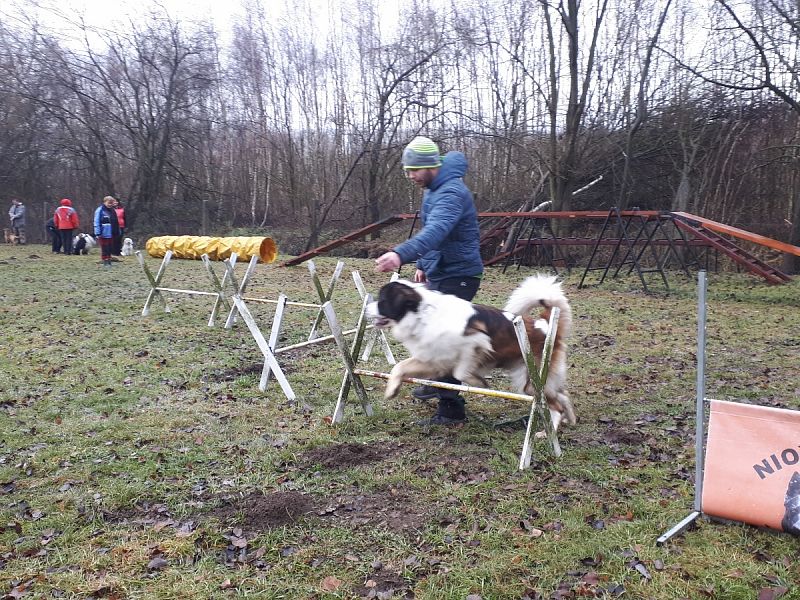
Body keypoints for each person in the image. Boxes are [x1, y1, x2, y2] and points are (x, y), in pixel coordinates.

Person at [375, 136, 483, 426]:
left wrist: (400, 255)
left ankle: (451, 410)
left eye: (414, 170)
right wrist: (423, 264)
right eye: (406, 170)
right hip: (441, 269)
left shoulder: (451, 193)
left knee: (445, 338)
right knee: (426, 329)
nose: (409, 176)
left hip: (460, 274)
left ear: (431, 166)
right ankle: (435, 380)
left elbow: (436, 230)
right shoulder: (431, 187)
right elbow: (431, 230)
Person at [94, 195, 120, 267]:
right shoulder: (100, 210)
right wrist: (98, 232)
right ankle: (105, 260)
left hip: (111, 232)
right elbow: (96, 221)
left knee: (110, 246)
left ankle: (109, 259)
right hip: (103, 232)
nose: (110, 204)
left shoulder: (112, 210)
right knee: (104, 247)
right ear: (105, 202)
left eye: (111, 203)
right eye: (109, 203)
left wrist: (117, 230)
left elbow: (115, 221)